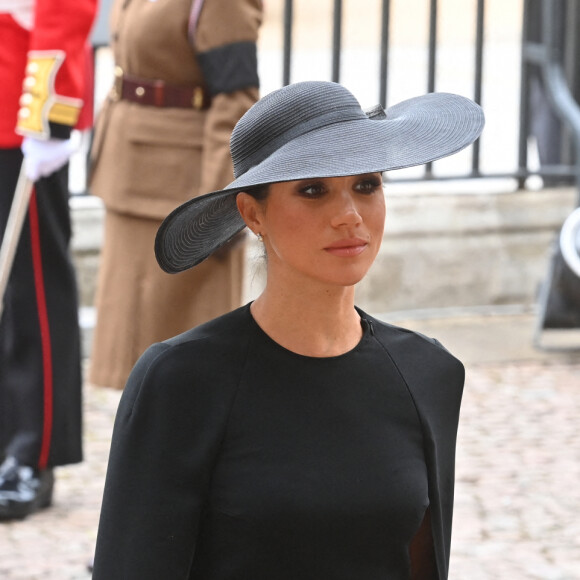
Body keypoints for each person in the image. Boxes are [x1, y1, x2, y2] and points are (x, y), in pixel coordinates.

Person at [91, 80, 485, 579]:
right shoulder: (182, 381)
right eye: (313, 189)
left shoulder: (429, 372)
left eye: (367, 185)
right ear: (253, 214)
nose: (349, 216)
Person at [87, 0, 262, 391]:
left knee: (184, 362)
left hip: (181, 196)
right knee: (132, 351)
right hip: (131, 174)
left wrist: (216, 208)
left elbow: (236, 99)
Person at [0, 0, 97, 520]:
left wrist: (50, 116)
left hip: (17, 112)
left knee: (31, 289)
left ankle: (30, 452)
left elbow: (64, 11)